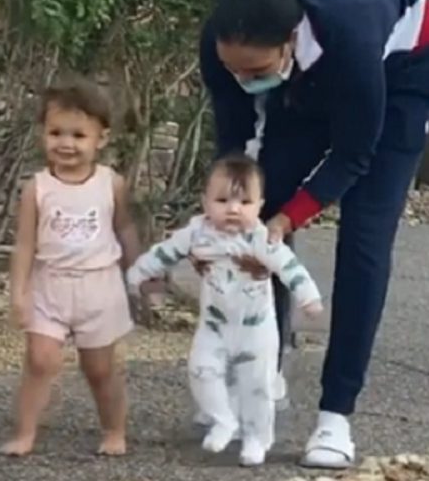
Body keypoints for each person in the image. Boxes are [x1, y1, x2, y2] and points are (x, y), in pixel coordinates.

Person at [198, 0, 429, 468]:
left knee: (364, 237)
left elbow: (354, 154)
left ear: (290, 40)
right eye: (232, 69)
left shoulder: (350, 35)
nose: (243, 81)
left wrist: (289, 218)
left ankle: (336, 415)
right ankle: (262, 370)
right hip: (311, 74)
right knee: (259, 206)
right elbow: (235, 146)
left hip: (404, 74)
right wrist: (229, 216)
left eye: (254, 70)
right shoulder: (223, 41)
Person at [125, 153, 324, 467]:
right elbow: (164, 253)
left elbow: (289, 267)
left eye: (244, 202)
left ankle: (257, 437)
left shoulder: (261, 238)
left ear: (259, 206)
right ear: (205, 203)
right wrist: (138, 273)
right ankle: (223, 419)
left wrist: (308, 296)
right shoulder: (196, 233)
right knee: (201, 370)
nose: (233, 209)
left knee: (257, 385)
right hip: (214, 325)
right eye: (222, 201)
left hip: (256, 327)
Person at [0, 80, 141, 457]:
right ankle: (25, 433)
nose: (66, 143)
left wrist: (141, 271)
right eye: (56, 133)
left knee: (100, 369)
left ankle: (114, 429)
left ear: (101, 138)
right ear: (43, 134)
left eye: (78, 135)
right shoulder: (37, 188)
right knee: (39, 360)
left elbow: (125, 228)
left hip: (100, 288)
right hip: (50, 285)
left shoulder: (111, 184)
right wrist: (18, 293)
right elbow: (25, 244)